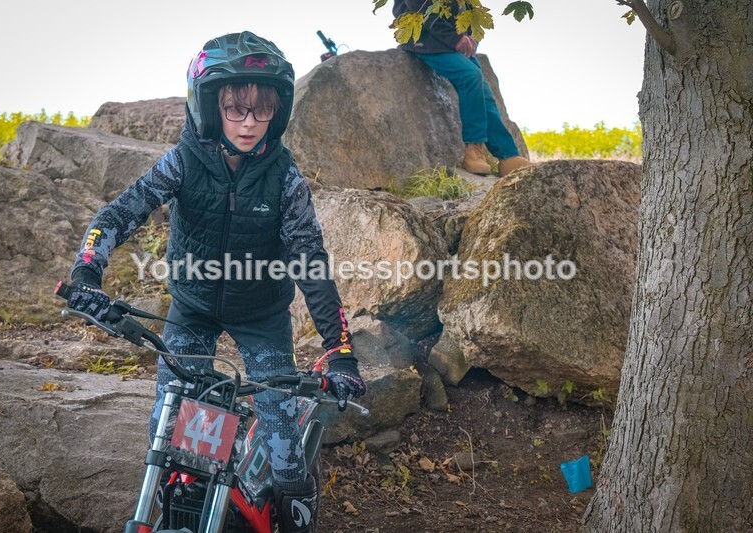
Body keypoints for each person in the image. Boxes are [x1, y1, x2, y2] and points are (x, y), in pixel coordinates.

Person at [64, 31, 366, 533]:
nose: (249, 124)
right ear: (209, 107)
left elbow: (311, 262)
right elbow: (119, 213)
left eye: (261, 110)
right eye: (235, 109)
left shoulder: (285, 178)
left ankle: (294, 513)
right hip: (193, 307)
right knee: (169, 438)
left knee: (285, 453)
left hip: (262, 315)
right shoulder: (183, 161)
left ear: (278, 111)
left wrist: (340, 350)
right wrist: (86, 273)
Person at [392, 0, 532, 177]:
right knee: (470, 76)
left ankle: (508, 156)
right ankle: (473, 148)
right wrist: (454, 38)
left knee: (484, 92)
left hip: (456, 42)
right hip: (427, 39)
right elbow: (420, 6)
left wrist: (469, 36)